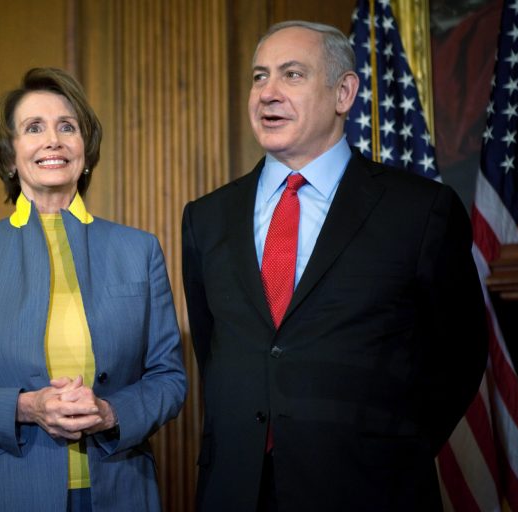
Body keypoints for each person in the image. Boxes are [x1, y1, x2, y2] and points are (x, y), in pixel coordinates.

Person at [181, 20, 487, 512]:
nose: (268, 93)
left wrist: (388, 448)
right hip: (236, 491)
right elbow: (215, 349)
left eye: (292, 75)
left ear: (344, 92)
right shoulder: (206, 217)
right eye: (259, 77)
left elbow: (461, 353)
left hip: (370, 489)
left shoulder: (419, 211)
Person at [0, 67, 187, 512]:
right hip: (4, 491)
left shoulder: (139, 250)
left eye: (67, 127)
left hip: (121, 490)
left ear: (86, 151)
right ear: (9, 156)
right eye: (33, 128)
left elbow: (169, 379)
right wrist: (25, 407)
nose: (52, 140)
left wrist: (111, 413)